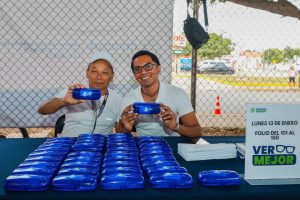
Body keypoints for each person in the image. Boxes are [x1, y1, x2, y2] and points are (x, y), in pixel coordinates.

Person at [117, 50, 201, 137]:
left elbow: (197, 132)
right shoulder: (128, 99)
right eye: (137, 69)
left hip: (172, 145)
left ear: (158, 68)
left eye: (148, 66)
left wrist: (176, 126)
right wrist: (125, 129)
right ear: (134, 75)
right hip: (144, 146)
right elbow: (119, 134)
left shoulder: (177, 94)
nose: (143, 72)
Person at [38, 51, 122, 137]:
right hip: (70, 145)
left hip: (99, 147)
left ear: (112, 76)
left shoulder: (118, 100)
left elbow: (121, 132)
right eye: (94, 71)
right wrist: (63, 101)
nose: (99, 77)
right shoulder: (75, 91)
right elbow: (42, 110)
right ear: (87, 73)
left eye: (105, 73)